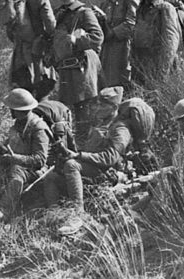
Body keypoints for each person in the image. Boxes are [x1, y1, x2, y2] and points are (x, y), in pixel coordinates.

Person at [44, 86, 132, 234]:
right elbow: (88, 151)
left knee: (72, 166)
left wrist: (78, 156)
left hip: (108, 173)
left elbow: (109, 158)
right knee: (52, 176)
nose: (98, 107)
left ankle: (78, 215)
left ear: (114, 107)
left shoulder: (120, 129)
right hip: (92, 170)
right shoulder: (99, 124)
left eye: (103, 104)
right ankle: (54, 213)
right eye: (97, 103)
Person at [0, 89, 51, 221]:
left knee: (17, 171)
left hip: (34, 170)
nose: (10, 111)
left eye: (12, 109)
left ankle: (3, 211)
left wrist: (16, 158)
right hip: (17, 162)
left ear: (20, 110)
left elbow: (40, 160)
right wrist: (3, 149)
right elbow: (13, 146)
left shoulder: (38, 128)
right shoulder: (19, 123)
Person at [50, 0, 103, 142]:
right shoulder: (58, 13)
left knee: (83, 107)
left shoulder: (84, 12)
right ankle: (68, 142)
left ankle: (84, 143)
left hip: (82, 66)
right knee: (65, 107)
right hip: (65, 66)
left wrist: (76, 40)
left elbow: (97, 37)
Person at [6, 0, 57, 99]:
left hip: (19, 52)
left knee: (23, 88)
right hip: (37, 50)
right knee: (42, 87)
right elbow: (51, 25)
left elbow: (10, 30)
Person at [131, 0, 180, 84]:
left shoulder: (165, 8)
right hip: (140, 62)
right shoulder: (140, 9)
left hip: (157, 62)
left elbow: (171, 41)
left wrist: (163, 69)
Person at [97, 0, 138, 89]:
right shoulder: (105, 3)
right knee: (107, 78)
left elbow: (132, 22)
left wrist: (114, 32)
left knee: (123, 77)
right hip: (107, 46)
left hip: (123, 45)